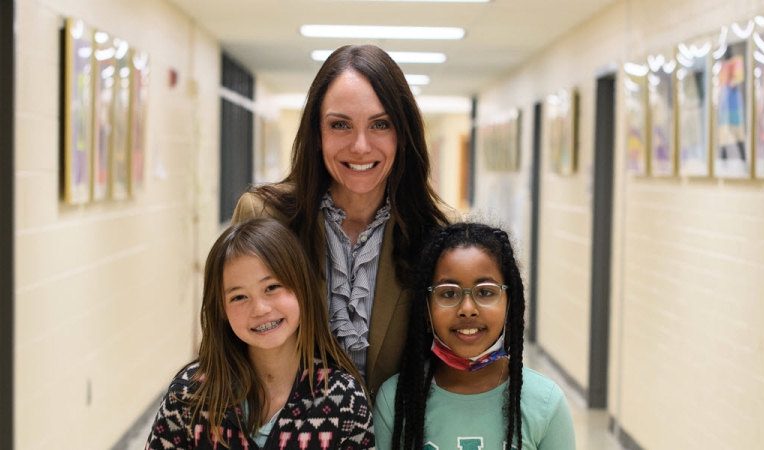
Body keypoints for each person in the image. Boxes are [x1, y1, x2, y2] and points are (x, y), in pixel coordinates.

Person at [232, 44, 453, 396]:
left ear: (403, 135)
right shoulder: (264, 218)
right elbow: (228, 342)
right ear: (317, 134)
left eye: (381, 124)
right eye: (340, 125)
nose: (361, 146)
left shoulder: (436, 234)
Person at [145, 218, 374, 450]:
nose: (260, 309)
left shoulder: (345, 401)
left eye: (272, 287)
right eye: (239, 297)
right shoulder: (189, 395)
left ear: (302, 288)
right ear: (221, 310)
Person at [374, 222, 576, 450]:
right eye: (449, 293)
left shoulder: (546, 403)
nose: (467, 308)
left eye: (485, 292)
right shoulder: (396, 400)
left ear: (510, 303)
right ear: (426, 310)